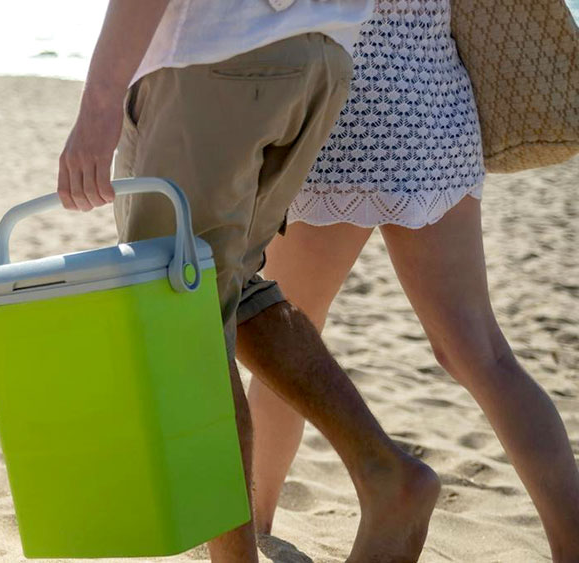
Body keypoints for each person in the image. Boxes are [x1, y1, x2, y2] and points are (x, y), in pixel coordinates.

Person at [57, 1, 441, 561]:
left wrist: (99, 102)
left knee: (178, 317)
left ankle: (236, 557)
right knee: (227, 287)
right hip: (322, 57)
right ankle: (385, 474)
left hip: (214, 55)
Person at [246, 1, 579, 561]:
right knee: (482, 352)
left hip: (345, 109)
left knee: (286, 338)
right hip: (439, 109)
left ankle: (253, 527)